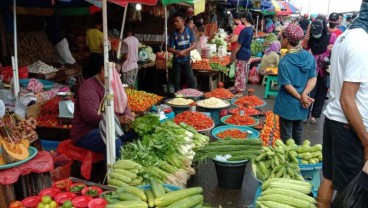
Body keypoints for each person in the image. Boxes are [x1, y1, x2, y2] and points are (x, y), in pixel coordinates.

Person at [317, 1, 368, 207]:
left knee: (329, 178)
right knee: (352, 191)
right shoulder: (362, 42)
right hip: (349, 126)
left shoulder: (345, 37)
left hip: (333, 119)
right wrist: (366, 141)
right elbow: (347, 98)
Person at [71, 56, 135, 158]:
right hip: (87, 132)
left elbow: (124, 105)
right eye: (116, 72)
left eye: (119, 72)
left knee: (138, 131)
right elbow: (89, 115)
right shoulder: (89, 87)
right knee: (114, 142)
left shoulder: (114, 85)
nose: (119, 75)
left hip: (112, 126)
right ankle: (113, 172)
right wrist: (117, 120)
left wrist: (129, 118)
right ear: (103, 70)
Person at [273, 24, 317, 145]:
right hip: (302, 105)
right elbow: (313, 78)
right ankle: (297, 158)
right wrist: (304, 94)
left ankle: (287, 161)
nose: (280, 40)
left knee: (286, 136)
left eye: (281, 37)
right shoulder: (309, 57)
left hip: (287, 104)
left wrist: (300, 97)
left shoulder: (285, 62)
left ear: (286, 40)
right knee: (298, 131)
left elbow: (287, 85)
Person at [303, 17, 337, 124]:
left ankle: (314, 115)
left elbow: (336, 50)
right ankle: (305, 114)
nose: (316, 35)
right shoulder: (311, 35)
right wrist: (307, 38)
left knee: (321, 93)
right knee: (309, 91)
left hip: (325, 69)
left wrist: (334, 48)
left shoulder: (331, 36)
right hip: (313, 68)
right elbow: (305, 47)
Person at [168, 13, 197, 92]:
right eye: (174, 21)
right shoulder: (173, 33)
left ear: (183, 22)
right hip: (177, 61)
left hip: (186, 60)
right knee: (176, 81)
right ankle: (177, 98)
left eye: (177, 21)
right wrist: (178, 51)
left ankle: (195, 95)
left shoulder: (189, 31)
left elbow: (194, 45)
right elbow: (169, 48)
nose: (175, 23)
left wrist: (184, 51)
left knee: (191, 79)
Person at [230, 11, 253, 94]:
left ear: (244, 18)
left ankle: (239, 91)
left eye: (242, 17)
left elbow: (239, 45)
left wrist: (234, 54)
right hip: (247, 52)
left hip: (242, 53)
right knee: (242, 72)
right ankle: (238, 88)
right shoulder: (250, 29)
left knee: (240, 73)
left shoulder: (244, 30)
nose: (241, 19)